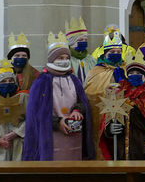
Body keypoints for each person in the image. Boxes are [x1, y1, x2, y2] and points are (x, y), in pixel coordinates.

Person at [22, 32, 94, 161]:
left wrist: (77, 110)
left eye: (66, 57)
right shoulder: (42, 82)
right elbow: (36, 112)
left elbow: (83, 102)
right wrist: (57, 122)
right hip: (51, 135)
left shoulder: (74, 79)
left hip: (75, 136)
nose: (64, 60)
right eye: (60, 58)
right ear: (52, 59)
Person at [99, 52, 145, 161]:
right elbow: (109, 118)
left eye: (138, 72)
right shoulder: (120, 93)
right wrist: (109, 129)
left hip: (143, 149)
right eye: (131, 72)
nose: (134, 75)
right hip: (121, 149)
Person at [84, 34, 126, 157]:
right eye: (112, 51)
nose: (116, 54)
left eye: (119, 51)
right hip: (102, 114)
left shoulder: (126, 68)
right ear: (105, 53)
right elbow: (91, 94)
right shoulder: (96, 71)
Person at [65, 17, 96, 86]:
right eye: (80, 40)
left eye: (85, 40)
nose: (83, 42)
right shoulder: (66, 59)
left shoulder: (91, 59)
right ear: (71, 42)